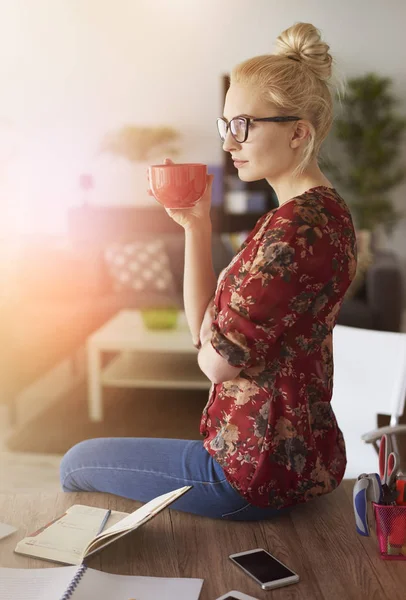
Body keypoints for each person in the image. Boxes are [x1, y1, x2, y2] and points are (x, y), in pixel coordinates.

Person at [60, 22, 356, 520]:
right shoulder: (322, 214)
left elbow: (216, 362)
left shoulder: (292, 231)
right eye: (226, 126)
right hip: (297, 460)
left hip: (249, 471)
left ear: (298, 133)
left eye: (242, 126)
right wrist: (197, 226)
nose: (228, 143)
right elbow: (210, 338)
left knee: (75, 463)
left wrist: (216, 325)